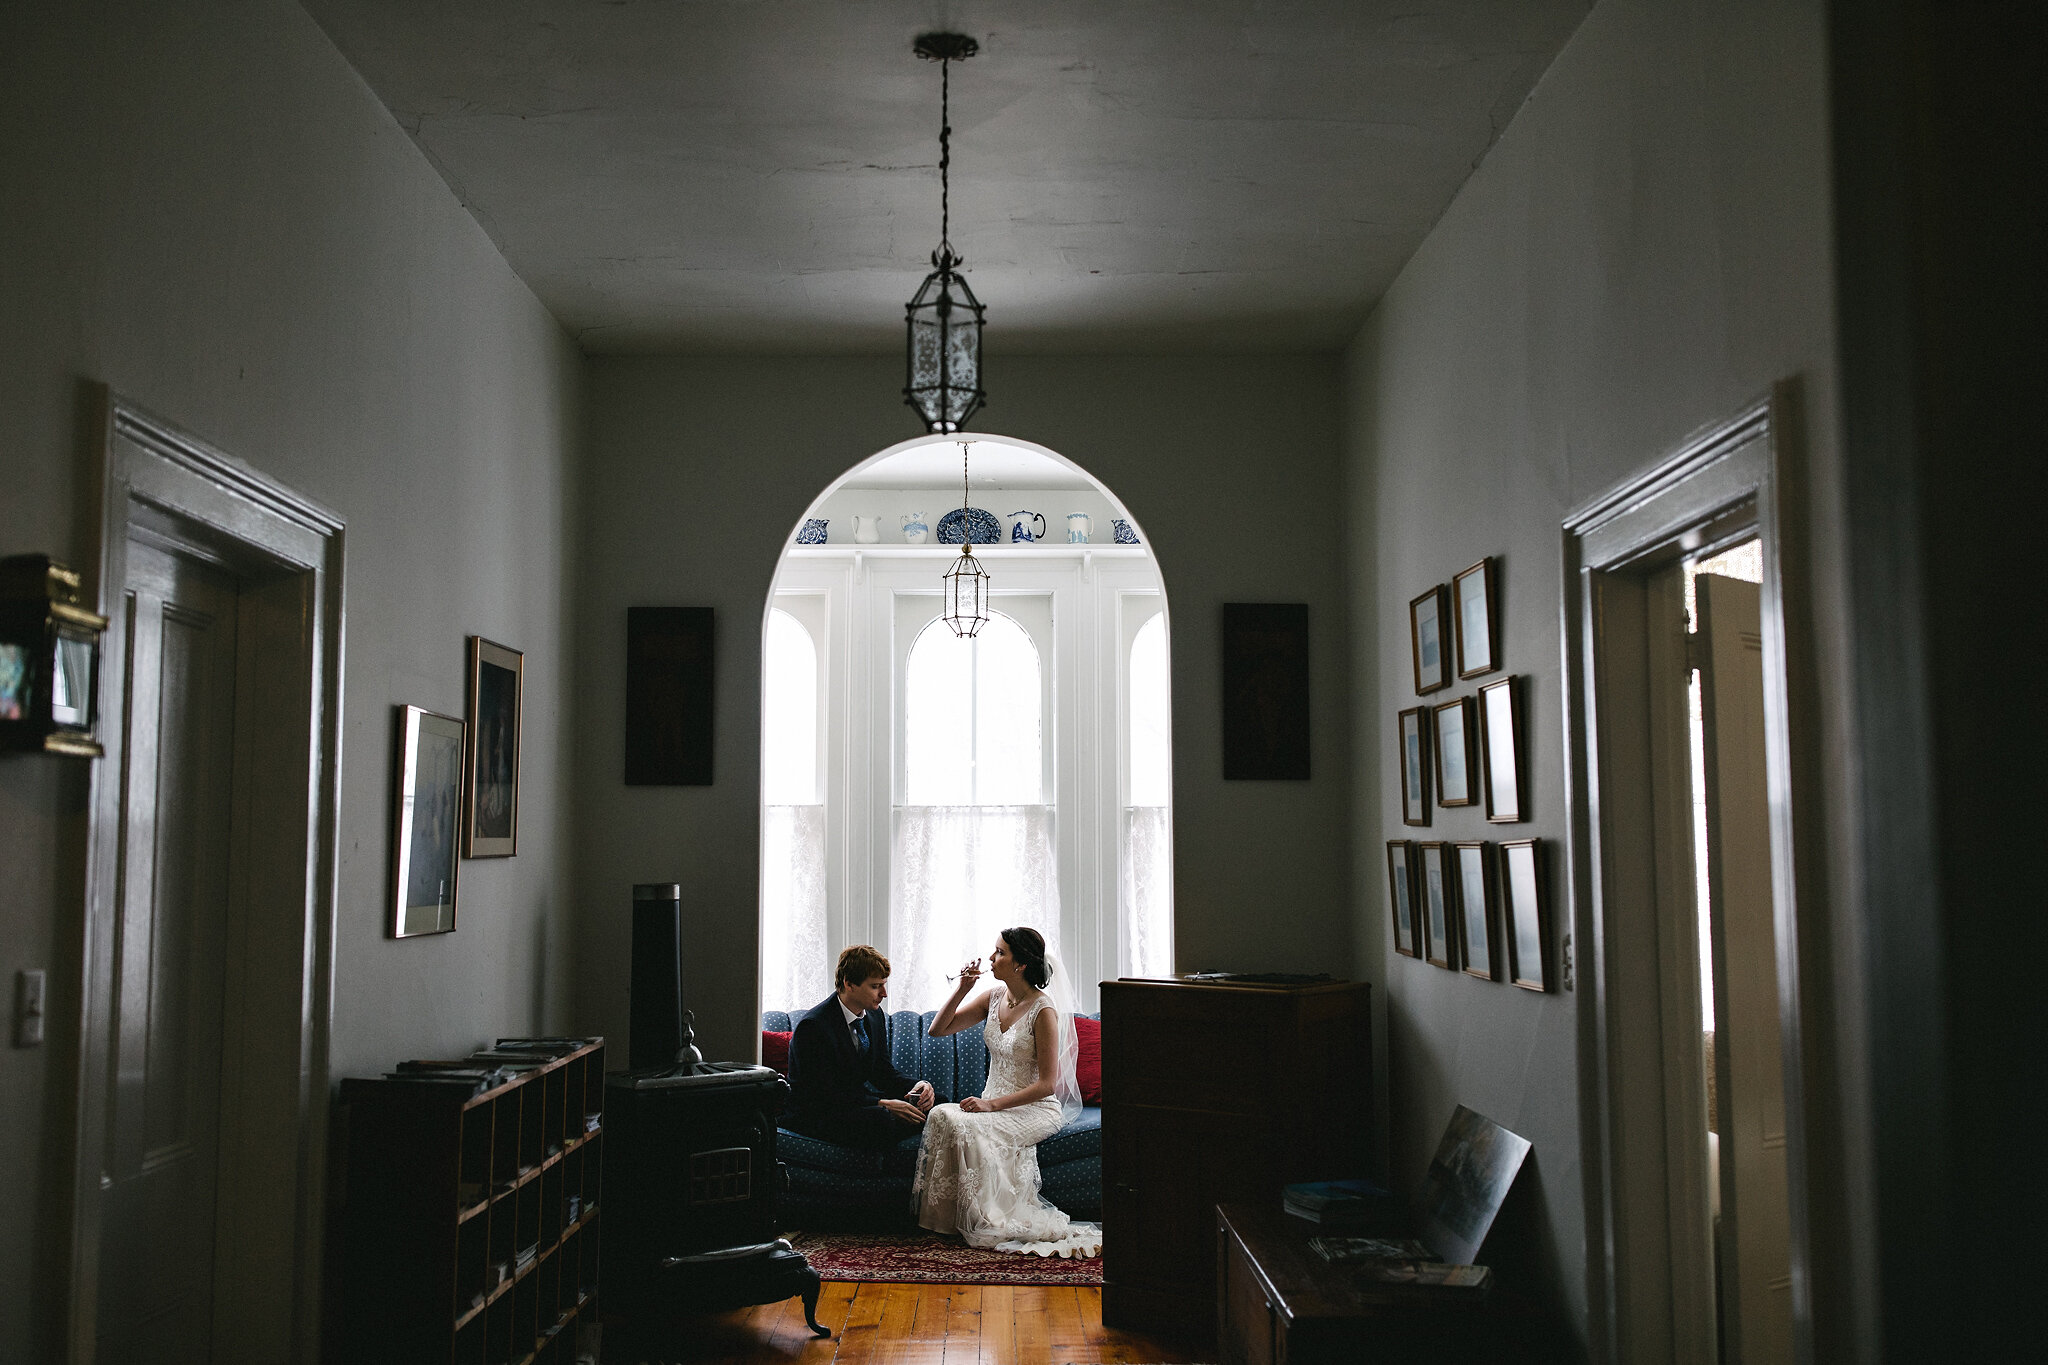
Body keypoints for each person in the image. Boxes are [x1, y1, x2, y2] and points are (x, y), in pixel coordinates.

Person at [912, 927, 1103, 1258]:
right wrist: (962, 989)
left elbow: (1046, 1084)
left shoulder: (1043, 1011)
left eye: (999, 952)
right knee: (942, 1114)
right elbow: (937, 1030)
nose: (991, 958)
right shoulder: (993, 997)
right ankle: (946, 1222)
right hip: (992, 1103)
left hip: (1033, 1109)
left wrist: (991, 1105)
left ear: (1020, 965)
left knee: (967, 1124)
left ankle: (988, 1219)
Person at [784, 945, 936, 1148]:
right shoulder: (813, 1026)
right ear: (849, 984)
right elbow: (823, 1094)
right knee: (882, 1120)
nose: (884, 994)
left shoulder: (874, 1015)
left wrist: (919, 1086)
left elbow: (882, 1072)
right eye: (875, 986)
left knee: (937, 1104)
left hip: (856, 1103)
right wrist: (882, 1105)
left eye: (884, 984)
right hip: (820, 1111)